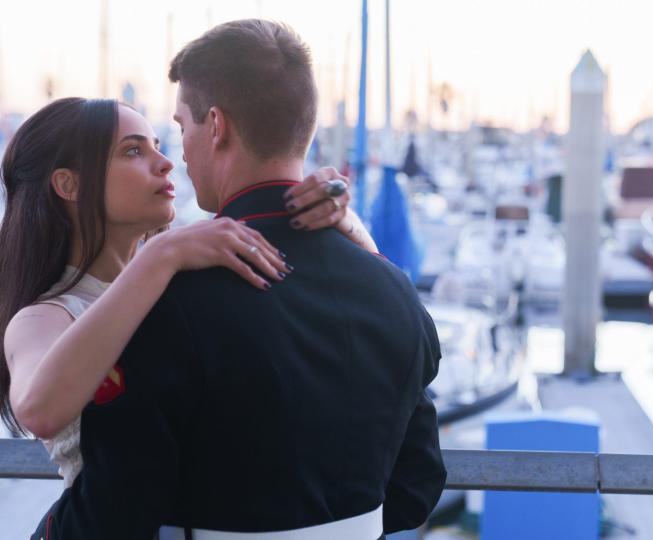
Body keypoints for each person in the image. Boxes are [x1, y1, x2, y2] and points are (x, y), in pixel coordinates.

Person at [35, 19, 445, 540]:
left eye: (181, 128)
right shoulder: (394, 291)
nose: (178, 154)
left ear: (216, 125)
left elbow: (115, 515)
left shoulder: (166, 301)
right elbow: (416, 487)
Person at [0, 96, 367, 491]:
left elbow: (371, 314)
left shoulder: (180, 279)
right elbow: (39, 409)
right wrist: (162, 254)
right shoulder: (44, 318)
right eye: (133, 150)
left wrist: (343, 221)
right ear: (69, 185)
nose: (165, 163)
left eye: (158, 146)